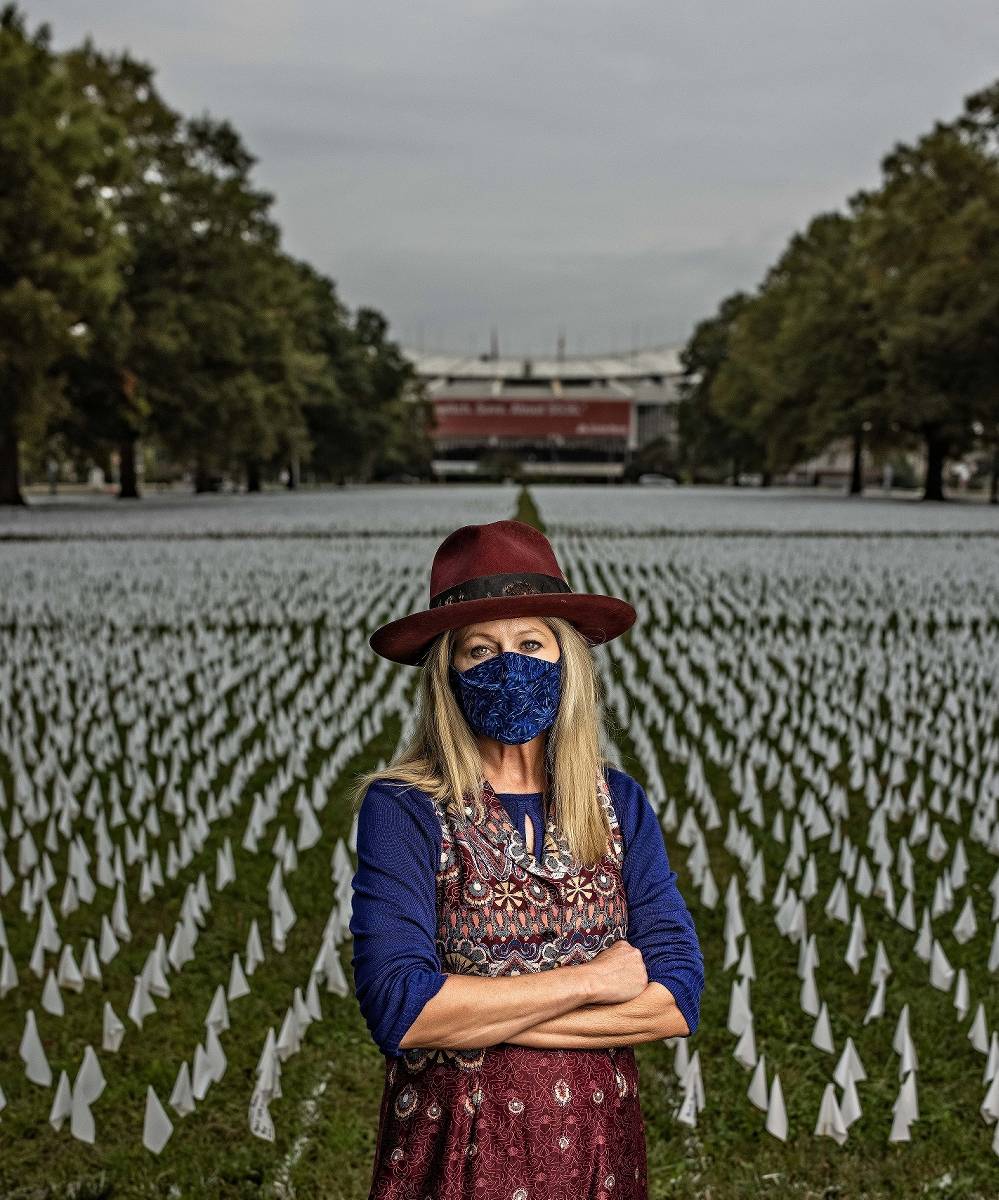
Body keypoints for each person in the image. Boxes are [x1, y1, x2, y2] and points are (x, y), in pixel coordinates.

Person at [350, 519, 705, 1200]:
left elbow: (674, 997)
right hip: (456, 1147)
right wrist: (593, 979)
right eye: (479, 650)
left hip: (599, 1147)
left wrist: (477, 1015)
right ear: (446, 675)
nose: (507, 665)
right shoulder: (404, 808)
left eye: (530, 643)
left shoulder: (617, 801)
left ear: (565, 660)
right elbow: (403, 1010)